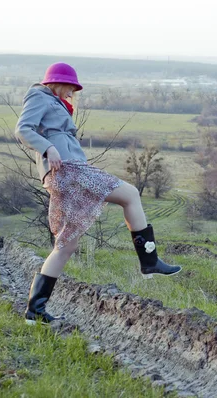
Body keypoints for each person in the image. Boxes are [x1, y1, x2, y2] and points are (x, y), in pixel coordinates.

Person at [15, 62, 181, 325]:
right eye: (70, 87)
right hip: (68, 170)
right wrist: (48, 148)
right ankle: (149, 260)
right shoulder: (39, 95)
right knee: (130, 194)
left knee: (66, 245)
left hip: (68, 171)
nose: (72, 93)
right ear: (57, 82)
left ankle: (34, 311)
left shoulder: (55, 103)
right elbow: (23, 129)